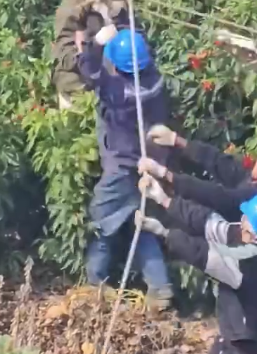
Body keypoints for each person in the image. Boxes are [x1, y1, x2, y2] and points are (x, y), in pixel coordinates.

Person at [138, 125, 257, 333]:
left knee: (238, 339)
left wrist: (166, 177)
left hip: (253, 295)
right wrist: (177, 141)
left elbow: (217, 200)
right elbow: (221, 165)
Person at [135, 172, 257, 354]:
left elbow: (207, 254)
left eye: (245, 219)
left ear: (253, 231)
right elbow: (210, 224)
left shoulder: (251, 264)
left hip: (243, 343)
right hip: (236, 336)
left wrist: (165, 233)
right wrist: (164, 200)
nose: (241, 221)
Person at [77, 25, 173, 308]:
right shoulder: (155, 81)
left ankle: (96, 283)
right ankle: (160, 288)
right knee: (138, 223)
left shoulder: (117, 90)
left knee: (101, 219)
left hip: (122, 165)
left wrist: (94, 43)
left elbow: (89, 72)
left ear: (117, 66)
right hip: (151, 163)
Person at [52, 0, 130, 109]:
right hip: (79, 87)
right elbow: (65, 56)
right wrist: (94, 46)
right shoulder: (69, 12)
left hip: (110, 77)